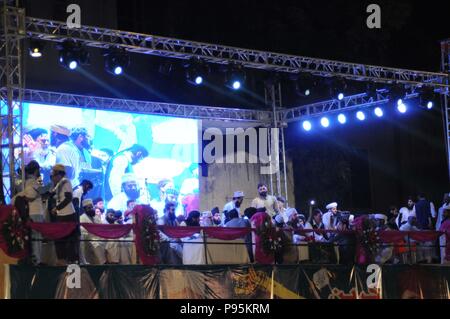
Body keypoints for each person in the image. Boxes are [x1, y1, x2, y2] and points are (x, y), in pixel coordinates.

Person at [49, 164, 78, 265]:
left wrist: (57, 208)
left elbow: (68, 198)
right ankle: (63, 259)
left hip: (67, 215)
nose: (52, 177)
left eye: (54, 175)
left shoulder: (66, 182)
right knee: (61, 238)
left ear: (58, 174)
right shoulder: (59, 183)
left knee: (67, 239)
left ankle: (70, 260)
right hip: (61, 214)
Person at [21, 161, 46, 265]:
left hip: (37, 211)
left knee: (38, 237)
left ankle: (38, 259)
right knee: (36, 237)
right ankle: (36, 260)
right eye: (38, 169)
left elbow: (40, 191)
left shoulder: (33, 181)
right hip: (34, 212)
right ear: (36, 170)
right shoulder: (30, 181)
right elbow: (30, 197)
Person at [79, 199, 106, 265]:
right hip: (89, 238)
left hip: (99, 237)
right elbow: (83, 231)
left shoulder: (96, 217)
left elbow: (102, 228)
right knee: (95, 244)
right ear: (85, 209)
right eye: (89, 208)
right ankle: (102, 263)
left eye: (92, 207)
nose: (91, 209)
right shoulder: (81, 218)